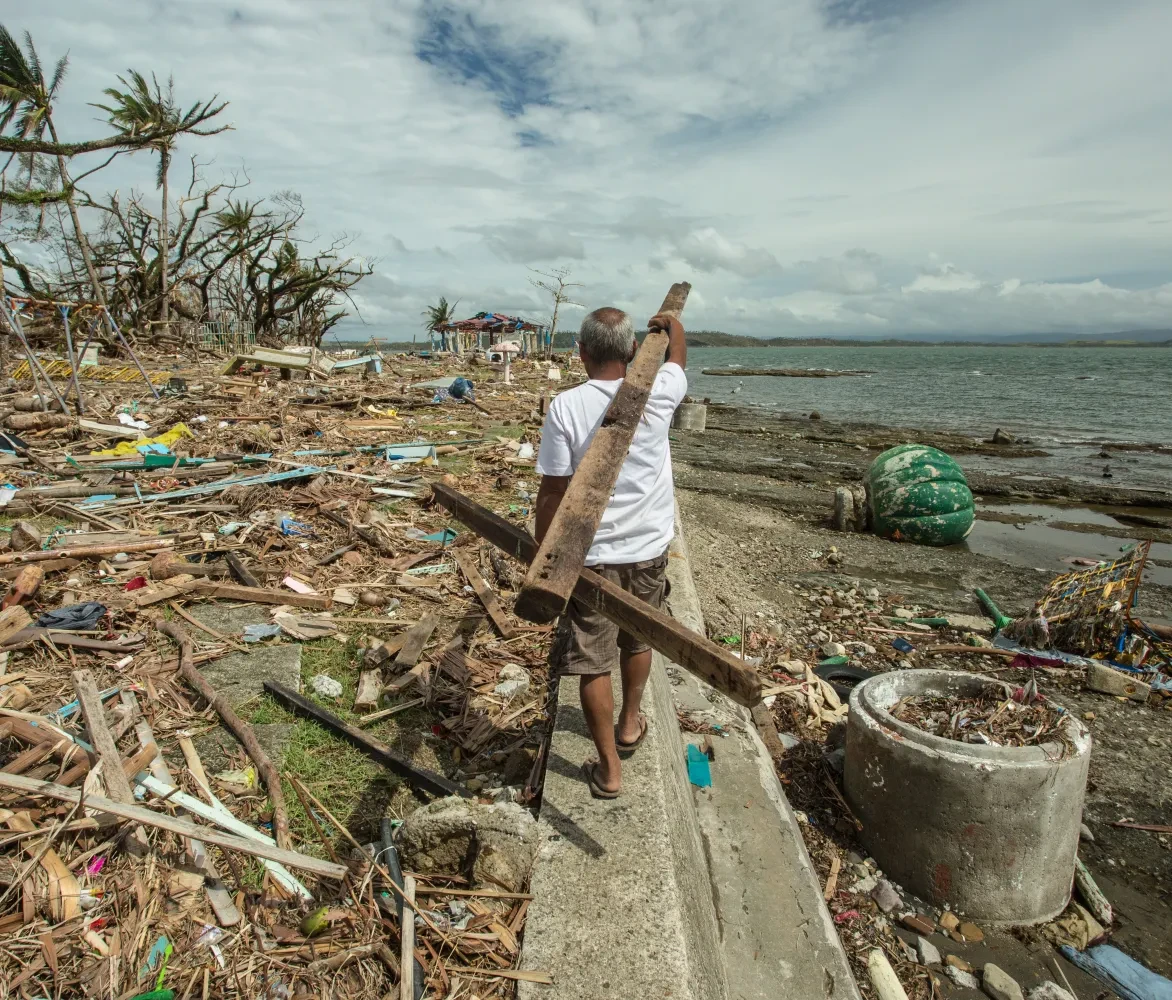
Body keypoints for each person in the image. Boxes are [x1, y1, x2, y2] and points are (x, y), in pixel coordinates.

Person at [533, 305, 687, 798]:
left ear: (581, 352)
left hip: (590, 555)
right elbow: (678, 360)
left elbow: (553, 489)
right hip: (648, 548)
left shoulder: (565, 407)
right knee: (639, 639)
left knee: (590, 659)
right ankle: (630, 721)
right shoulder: (658, 392)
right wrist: (673, 327)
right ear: (633, 349)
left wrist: (545, 555)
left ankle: (609, 769)